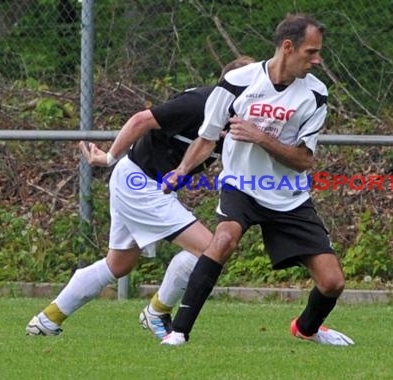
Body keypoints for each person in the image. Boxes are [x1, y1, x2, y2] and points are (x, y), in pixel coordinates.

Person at [25, 56, 255, 339]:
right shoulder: (200, 102)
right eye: (250, 84)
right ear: (230, 86)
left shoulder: (240, 117)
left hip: (140, 181)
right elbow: (141, 120)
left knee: (119, 265)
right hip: (140, 182)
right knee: (210, 249)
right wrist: (109, 156)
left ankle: (47, 320)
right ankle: (156, 312)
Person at [160, 14, 354, 346]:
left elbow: (303, 161)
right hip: (241, 185)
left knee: (333, 282)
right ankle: (178, 332)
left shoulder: (316, 94)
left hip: (288, 195)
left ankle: (306, 329)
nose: (317, 60)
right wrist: (181, 171)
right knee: (223, 241)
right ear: (288, 47)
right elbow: (206, 139)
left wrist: (259, 136)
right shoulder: (238, 81)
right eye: (311, 52)